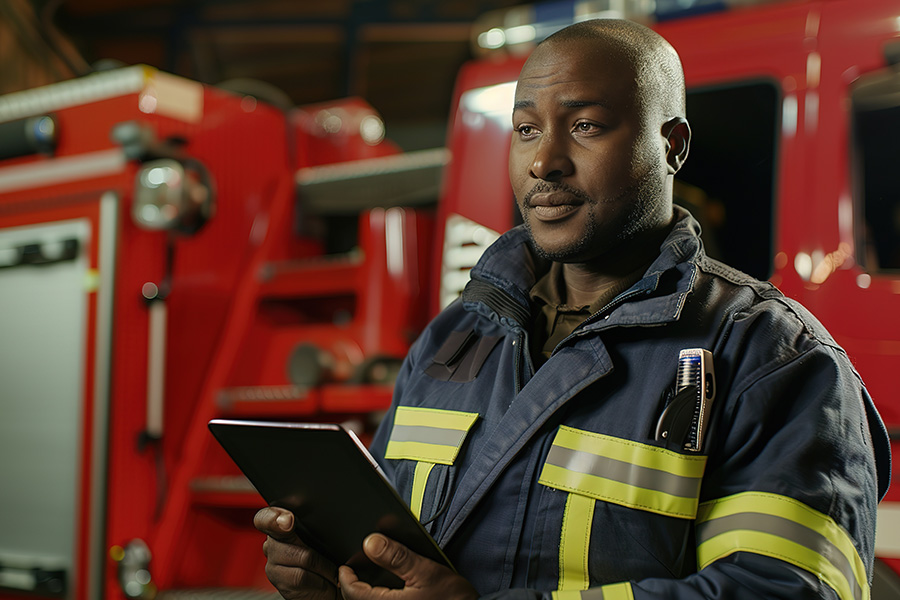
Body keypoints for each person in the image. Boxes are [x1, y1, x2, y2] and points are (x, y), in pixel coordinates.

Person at [255, 18, 891, 600]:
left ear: (672, 145)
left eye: (585, 126)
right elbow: (402, 548)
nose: (542, 161)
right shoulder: (454, 336)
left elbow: (784, 591)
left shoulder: (771, 360)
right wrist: (340, 574)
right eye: (527, 129)